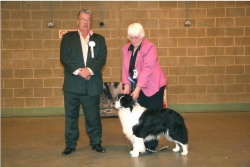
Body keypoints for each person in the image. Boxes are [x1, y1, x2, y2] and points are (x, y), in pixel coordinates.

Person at [60, 9, 107, 155]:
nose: (85, 22)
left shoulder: (99, 39)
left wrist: (90, 70)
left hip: (91, 85)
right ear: (78, 21)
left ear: (91, 22)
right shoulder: (68, 38)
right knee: (71, 117)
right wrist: (81, 71)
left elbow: (101, 59)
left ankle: (96, 142)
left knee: (93, 117)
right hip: (72, 85)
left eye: (88, 19)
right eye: (83, 19)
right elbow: (64, 58)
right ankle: (70, 144)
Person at [121, 23, 167, 152]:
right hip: (137, 86)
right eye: (131, 37)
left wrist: (137, 89)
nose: (134, 40)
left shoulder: (149, 47)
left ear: (142, 36)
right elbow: (125, 68)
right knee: (139, 118)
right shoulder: (126, 49)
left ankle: (151, 146)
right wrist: (126, 85)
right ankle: (139, 143)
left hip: (152, 86)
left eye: (136, 37)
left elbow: (147, 70)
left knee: (152, 116)